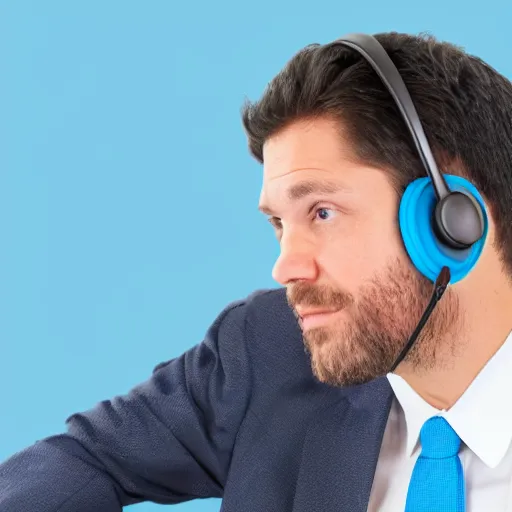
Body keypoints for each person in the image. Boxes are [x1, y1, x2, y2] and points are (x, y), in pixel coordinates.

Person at [1, 31, 512, 512]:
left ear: (453, 220)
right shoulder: (268, 352)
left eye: (322, 212)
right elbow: (86, 460)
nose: (286, 265)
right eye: (277, 223)